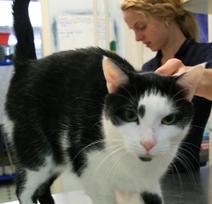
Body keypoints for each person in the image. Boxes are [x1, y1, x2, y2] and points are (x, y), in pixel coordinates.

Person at [121, 0, 212, 173]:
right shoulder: (148, 69)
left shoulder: (206, 55)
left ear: (166, 17)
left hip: (185, 175)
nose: (137, 37)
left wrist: (192, 78)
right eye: (132, 30)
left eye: (141, 26)